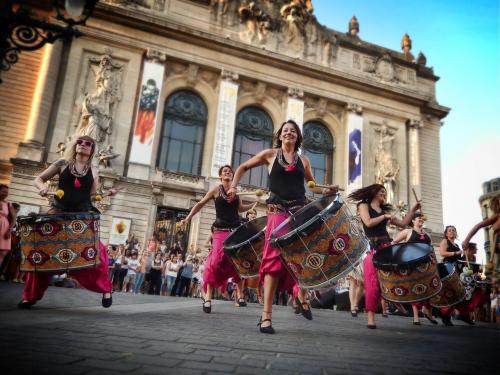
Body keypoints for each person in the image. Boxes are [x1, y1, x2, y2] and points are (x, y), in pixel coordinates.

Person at [228, 120, 337, 334]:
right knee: (273, 262)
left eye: (293, 131)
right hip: (277, 213)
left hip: (299, 212)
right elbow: (242, 167)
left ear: (297, 137)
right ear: (280, 136)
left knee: (304, 256)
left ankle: (300, 296)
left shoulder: (304, 161)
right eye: (285, 130)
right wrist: (233, 186)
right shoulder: (270, 155)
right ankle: (266, 316)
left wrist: (328, 190)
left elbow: (313, 187)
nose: (289, 133)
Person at [18, 136, 116, 309]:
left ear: (92, 150)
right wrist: (42, 187)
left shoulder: (93, 171)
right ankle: (29, 296)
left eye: (88, 144)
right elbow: (38, 179)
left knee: (97, 253)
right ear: (75, 146)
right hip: (58, 213)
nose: (83, 145)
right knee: (41, 252)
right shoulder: (62, 163)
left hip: (81, 217)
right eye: (80, 142)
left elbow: (92, 197)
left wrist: (107, 193)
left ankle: (106, 289)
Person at [181, 165, 255, 313]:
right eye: (224, 171)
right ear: (221, 176)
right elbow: (200, 203)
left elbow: (240, 209)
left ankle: (240, 295)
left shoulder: (236, 193)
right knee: (215, 262)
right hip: (220, 231)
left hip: (235, 231)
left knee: (238, 262)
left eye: (230, 171)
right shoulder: (216, 190)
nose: (228, 173)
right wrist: (188, 218)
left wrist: (253, 205)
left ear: (233, 176)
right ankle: (207, 296)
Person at [348, 183, 420, 329]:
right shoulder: (364, 205)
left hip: (386, 247)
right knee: (371, 282)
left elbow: (403, 224)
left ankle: (399, 304)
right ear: (373, 192)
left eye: (384, 192)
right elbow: (368, 223)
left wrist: (413, 210)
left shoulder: (383, 211)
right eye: (381, 191)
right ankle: (370, 317)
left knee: (392, 279)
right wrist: (384, 217)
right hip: (371, 249)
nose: (383, 193)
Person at [391, 212, 438, 325]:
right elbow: (394, 242)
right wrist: (398, 255)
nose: (421, 220)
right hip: (411, 264)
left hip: (425, 265)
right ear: (413, 220)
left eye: (422, 218)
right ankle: (416, 316)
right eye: (418, 218)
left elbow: (431, 250)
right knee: (414, 289)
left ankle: (428, 312)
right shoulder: (408, 232)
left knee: (429, 289)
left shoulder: (427, 235)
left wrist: (435, 261)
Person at [0, 184, 17, 270]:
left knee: (3, 252)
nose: (5, 194)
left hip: (4, 229)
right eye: (3, 191)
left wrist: (9, 230)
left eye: (7, 192)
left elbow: (14, 218)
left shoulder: (8, 204)